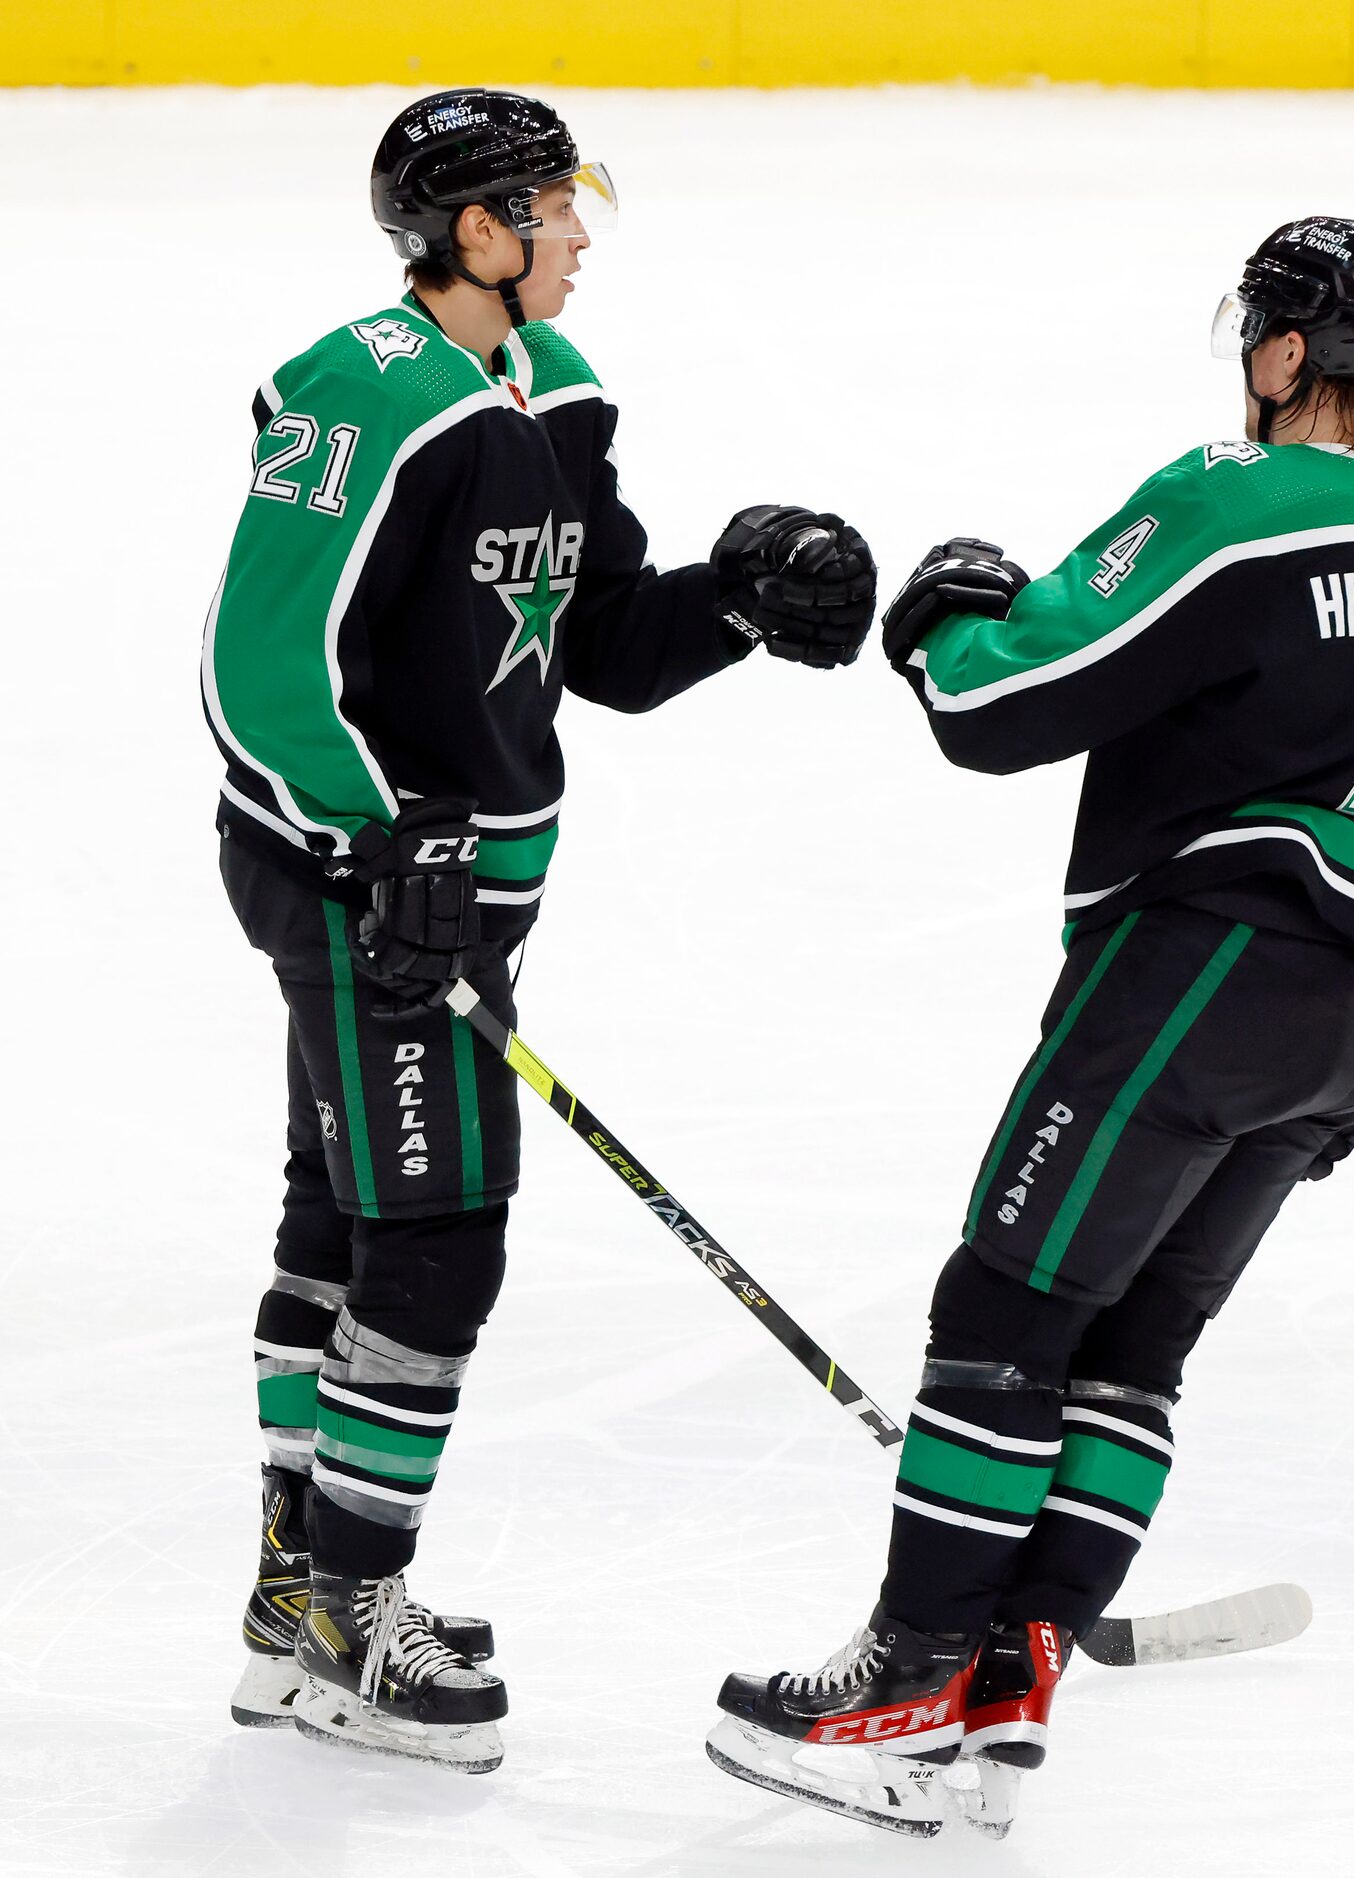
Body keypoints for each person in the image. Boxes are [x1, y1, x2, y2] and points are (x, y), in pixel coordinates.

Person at [705, 218, 1354, 1838]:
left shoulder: (1231, 501)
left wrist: (945, 614)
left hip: (1208, 965)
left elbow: (1003, 705)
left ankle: (907, 1679)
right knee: (1131, 1350)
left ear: (1284, 354)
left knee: (1005, 1304)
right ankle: (1006, 1687)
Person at [204, 86, 876, 1773]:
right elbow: (261, 665)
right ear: (476, 234)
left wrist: (736, 594)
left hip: (462, 893)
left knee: (350, 1212)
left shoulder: (556, 395)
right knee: (439, 1236)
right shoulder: (364, 394)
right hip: (360, 887)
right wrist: (382, 838)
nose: (580, 231)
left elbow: (604, 644)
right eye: (552, 206)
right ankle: (350, 1608)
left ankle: (304, 1588)